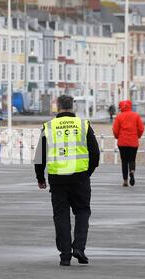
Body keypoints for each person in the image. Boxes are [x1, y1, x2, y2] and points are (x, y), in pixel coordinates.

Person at [34, 95, 100, 267]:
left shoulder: (49, 127)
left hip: (57, 179)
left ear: (57, 107)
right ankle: (79, 247)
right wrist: (87, 172)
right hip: (80, 178)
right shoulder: (83, 125)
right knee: (82, 212)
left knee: (61, 216)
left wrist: (40, 177)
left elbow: (39, 157)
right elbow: (95, 154)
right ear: (73, 107)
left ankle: (65, 255)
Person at [112, 100, 145, 187]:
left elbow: (115, 130)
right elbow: (141, 128)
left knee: (124, 161)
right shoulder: (136, 116)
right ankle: (132, 171)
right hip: (133, 142)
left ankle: (125, 181)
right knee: (132, 159)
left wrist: (117, 137)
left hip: (122, 142)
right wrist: (137, 136)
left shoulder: (119, 117)